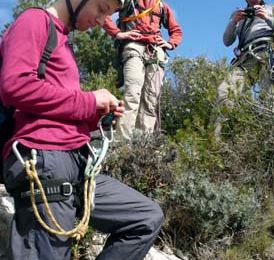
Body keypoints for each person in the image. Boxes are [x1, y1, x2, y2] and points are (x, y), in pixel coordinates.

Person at [0, 0, 164, 259]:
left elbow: (60, 106)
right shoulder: (34, 20)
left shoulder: (64, 42)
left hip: (77, 162)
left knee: (145, 218)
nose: (101, 21)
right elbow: (16, 86)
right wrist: (89, 101)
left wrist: (95, 115)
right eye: (101, 8)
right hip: (44, 157)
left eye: (108, 14)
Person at [103, 0, 182, 139]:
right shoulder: (127, 1)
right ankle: (123, 142)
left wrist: (170, 43)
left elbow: (176, 30)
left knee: (151, 101)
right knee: (132, 94)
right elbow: (102, 12)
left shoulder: (161, 6)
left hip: (156, 51)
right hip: (133, 46)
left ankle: (142, 145)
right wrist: (117, 33)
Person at [214, 0, 274, 139]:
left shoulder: (273, 8)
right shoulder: (240, 14)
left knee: (271, 97)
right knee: (224, 92)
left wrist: (267, 17)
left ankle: (273, 138)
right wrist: (234, 22)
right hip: (245, 58)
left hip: (268, 53)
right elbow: (227, 41)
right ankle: (218, 142)